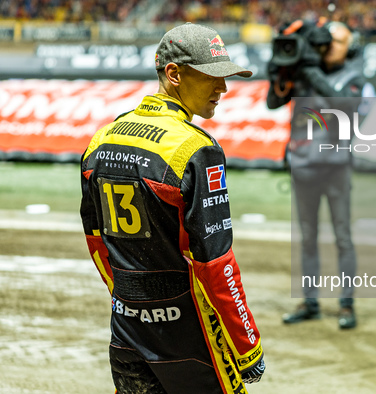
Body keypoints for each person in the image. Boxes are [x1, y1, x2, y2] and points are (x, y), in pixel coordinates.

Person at [80, 23, 265, 393]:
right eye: (212, 77)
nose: (222, 88)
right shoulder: (197, 150)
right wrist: (247, 347)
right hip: (189, 339)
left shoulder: (101, 140)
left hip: (126, 330)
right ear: (174, 74)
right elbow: (215, 263)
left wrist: (133, 301)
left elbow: (96, 241)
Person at [267, 20, 365, 329]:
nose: (329, 47)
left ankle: (346, 304)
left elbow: (344, 105)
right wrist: (279, 70)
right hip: (303, 165)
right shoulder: (303, 71)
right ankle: (310, 301)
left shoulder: (353, 76)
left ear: (348, 47)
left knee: (342, 237)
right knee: (307, 238)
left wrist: (311, 72)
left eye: (337, 42)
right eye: (326, 41)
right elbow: (273, 101)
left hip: (335, 167)